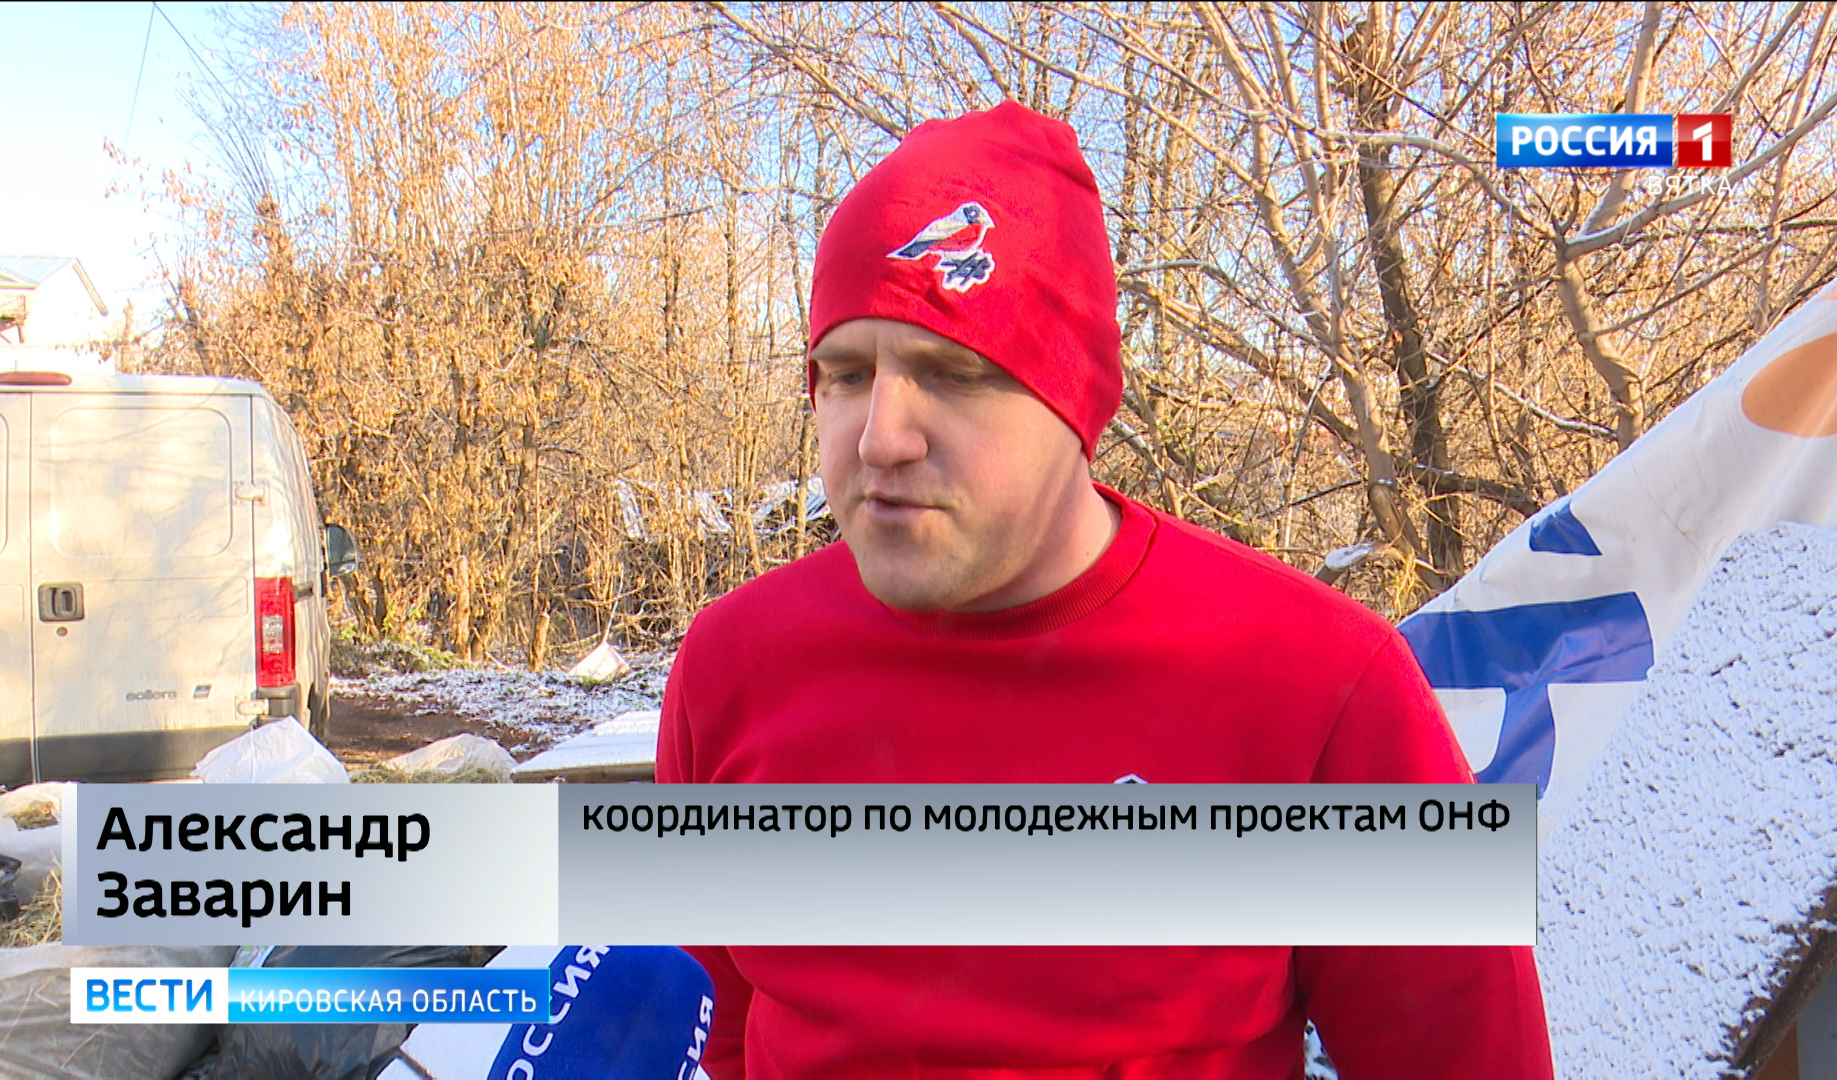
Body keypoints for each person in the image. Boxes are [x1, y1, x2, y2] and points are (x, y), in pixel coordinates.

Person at [656, 100, 1552, 1080]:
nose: (881, 437)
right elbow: (712, 1032)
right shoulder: (732, 664)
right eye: (844, 374)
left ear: (1072, 398)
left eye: (951, 373)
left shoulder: (1324, 682)